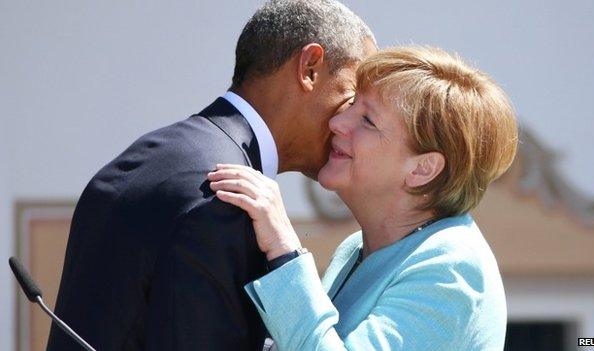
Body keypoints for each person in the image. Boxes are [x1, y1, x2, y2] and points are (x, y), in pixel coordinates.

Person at [47, 1, 375, 350]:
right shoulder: (225, 196)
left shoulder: (151, 155)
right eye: (353, 99)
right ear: (310, 68)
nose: (348, 126)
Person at [208, 46, 518, 350]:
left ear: (423, 169)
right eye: (352, 104)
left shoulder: (451, 268)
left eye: (367, 120)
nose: (337, 123)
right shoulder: (356, 247)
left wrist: (284, 250)